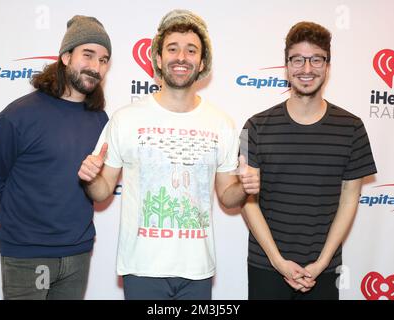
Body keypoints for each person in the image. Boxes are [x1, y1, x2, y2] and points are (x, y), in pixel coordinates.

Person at [78, 9, 259, 300]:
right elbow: (101, 193)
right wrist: (91, 177)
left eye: (191, 50)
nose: (181, 58)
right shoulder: (126, 119)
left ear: (202, 63)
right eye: (172, 49)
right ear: (159, 59)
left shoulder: (221, 123)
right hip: (142, 269)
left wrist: (245, 187)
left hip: (197, 270)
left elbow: (228, 196)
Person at [0, 15, 112, 300]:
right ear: (65, 57)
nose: (96, 66)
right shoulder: (19, 115)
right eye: (88, 55)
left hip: (78, 254)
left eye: (103, 59)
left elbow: (98, 185)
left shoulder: (100, 119)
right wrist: (21, 226)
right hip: (28, 257)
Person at [241, 21, 377, 300]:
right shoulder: (253, 126)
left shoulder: (352, 127)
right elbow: (247, 200)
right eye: (298, 60)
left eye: (316, 59)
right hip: (266, 266)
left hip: (323, 270)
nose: (306, 69)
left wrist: (323, 261)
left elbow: (349, 199)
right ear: (286, 65)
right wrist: (279, 262)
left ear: (328, 65)